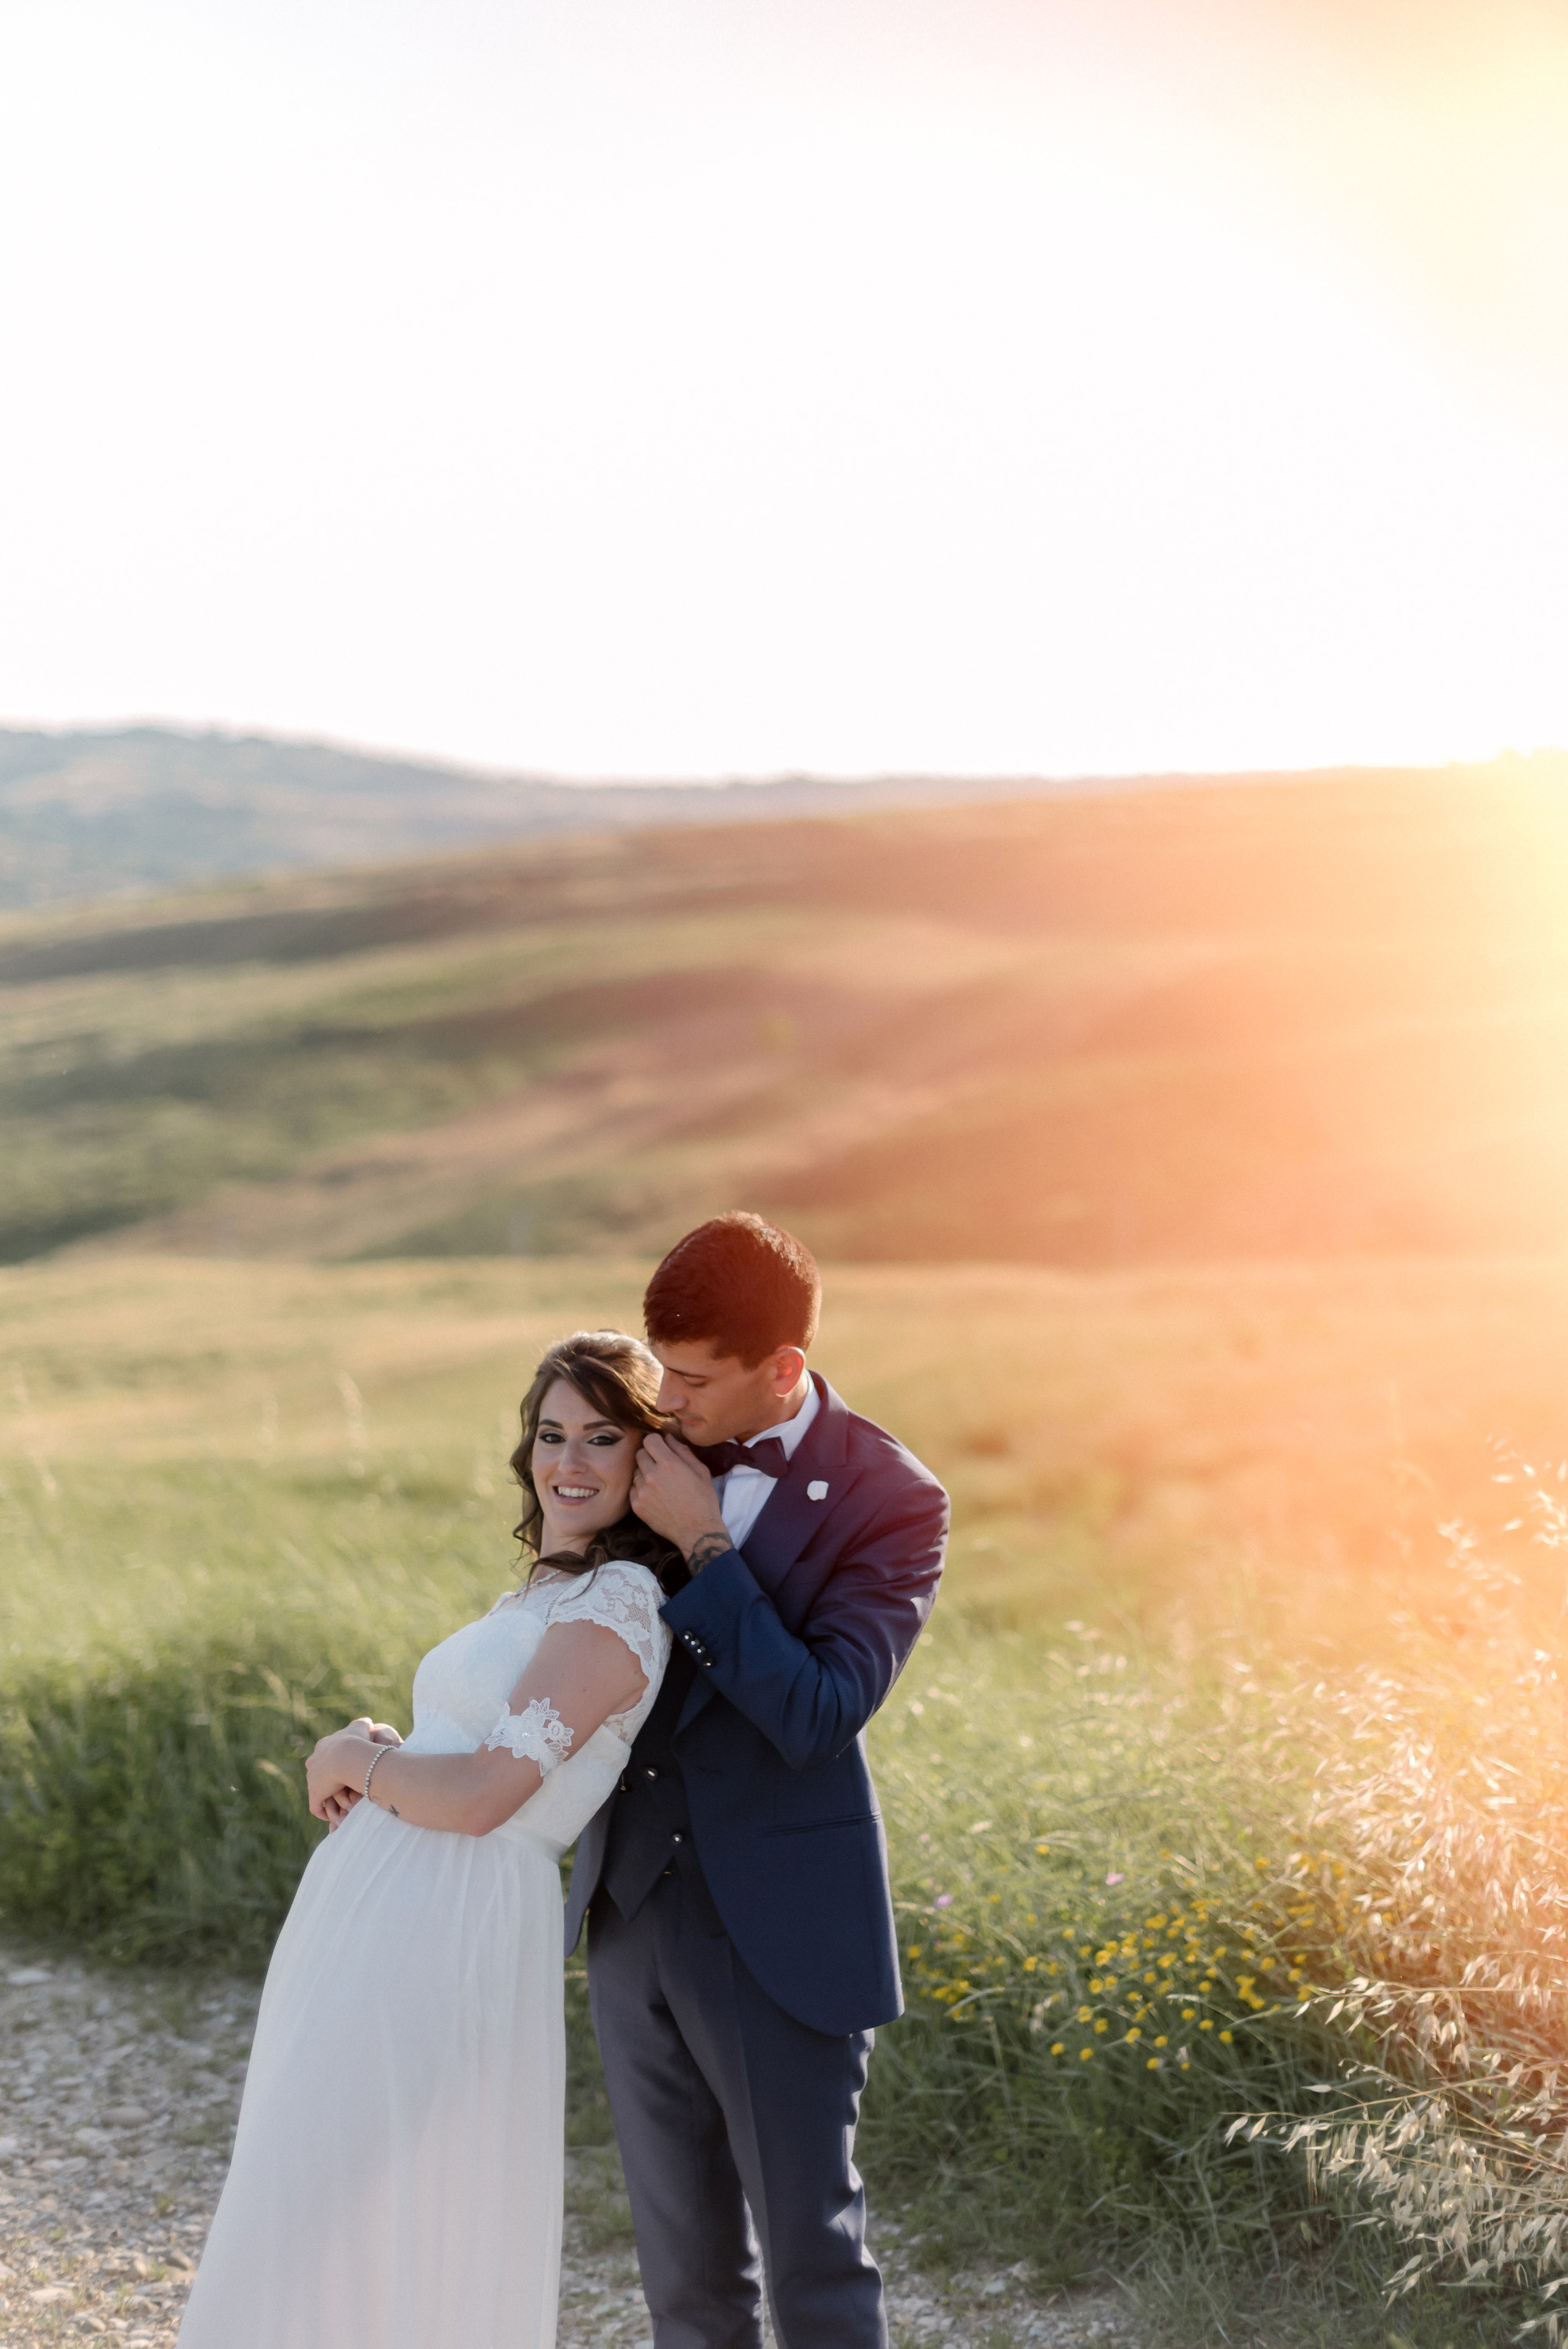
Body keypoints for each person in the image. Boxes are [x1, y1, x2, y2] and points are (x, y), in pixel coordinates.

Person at [178, 1331, 679, 2349]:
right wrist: (392, 1748)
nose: (568, 1463)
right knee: (307, 2189)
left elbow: (493, 1793)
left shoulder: (621, 1604)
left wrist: (355, 1765)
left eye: (601, 1436)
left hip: (454, 1921)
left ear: (647, 1459)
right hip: (388, 1904)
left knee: (331, 2192)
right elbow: (473, 1756)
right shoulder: (543, 1593)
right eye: (550, 1434)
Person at [568, 1213, 950, 2349]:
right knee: (682, 2279)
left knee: (812, 2267)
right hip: (630, 1911)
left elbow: (818, 1714)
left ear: (784, 1369)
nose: (665, 1401)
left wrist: (708, 1550)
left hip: (776, 1935)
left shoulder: (893, 1498)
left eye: (692, 1378)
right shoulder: (646, 1441)